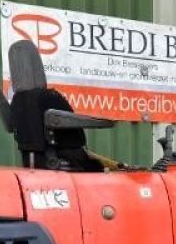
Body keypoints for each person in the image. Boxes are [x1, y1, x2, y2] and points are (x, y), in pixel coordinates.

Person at [7, 40, 120, 171]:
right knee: (100, 168)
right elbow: (72, 126)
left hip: (34, 162)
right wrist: (107, 122)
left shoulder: (16, 102)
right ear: (36, 65)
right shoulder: (49, 97)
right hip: (64, 162)